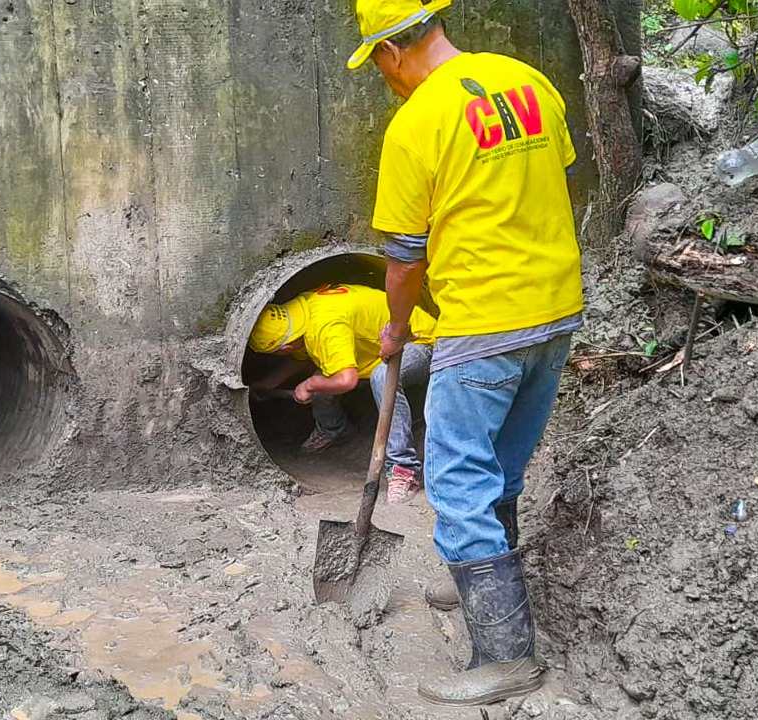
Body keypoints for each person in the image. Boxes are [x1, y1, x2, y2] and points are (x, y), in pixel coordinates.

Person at [348, 0, 584, 705]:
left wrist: (396, 328)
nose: (385, 77)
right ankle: (484, 590)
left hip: (484, 320)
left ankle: (506, 657)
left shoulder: (416, 121)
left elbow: (403, 257)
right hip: (555, 308)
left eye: (378, 65)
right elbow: (555, 178)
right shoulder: (527, 80)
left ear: (391, 51)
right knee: (499, 464)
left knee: (455, 481)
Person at [248, 283, 435, 504]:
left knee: (382, 377)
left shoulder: (326, 328)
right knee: (325, 376)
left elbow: (347, 380)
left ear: (285, 348)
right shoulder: (303, 311)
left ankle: (403, 468)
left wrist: (309, 385)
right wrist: (268, 383)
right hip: (378, 347)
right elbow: (304, 357)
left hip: (421, 341)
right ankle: (335, 429)